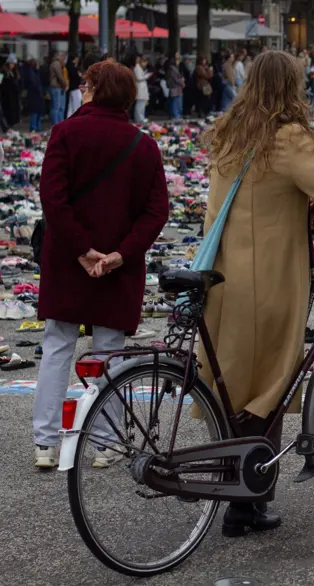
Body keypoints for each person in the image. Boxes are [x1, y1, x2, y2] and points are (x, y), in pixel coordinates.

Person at [201, 50, 314, 533]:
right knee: (268, 388)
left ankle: (236, 496)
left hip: (222, 277)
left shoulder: (229, 132)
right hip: (268, 281)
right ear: (292, 87)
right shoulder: (288, 138)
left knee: (232, 387)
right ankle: (248, 500)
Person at [32, 60, 169, 469]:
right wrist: (120, 254)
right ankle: (104, 442)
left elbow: (53, 199)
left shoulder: (66, 134)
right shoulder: (142, 145)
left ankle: (46, 442)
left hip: (68, 261)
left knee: (57, 345)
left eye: (86, 84)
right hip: (117, 266)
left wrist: (79, 249)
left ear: (93, 89)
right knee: (110, 352)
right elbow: (155, 210)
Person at [21, 58, 43, 132]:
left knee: (37, 111)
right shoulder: (32, 72)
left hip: (35, 94)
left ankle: (36, 127)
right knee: (35, 111)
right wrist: (39, 91)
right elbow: (34, 83)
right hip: (35, 94)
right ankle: (34, 127)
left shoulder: (33, 72)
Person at [0, 56, 21, 127]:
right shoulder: (3, 71)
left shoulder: (15, 71)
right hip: (6, 95)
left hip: (14, 95)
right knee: (7, 110)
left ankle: (12, 123)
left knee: (14, 110)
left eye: (14, 64)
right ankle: (7, 124)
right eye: (11, 63)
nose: (12, 65)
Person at [49, 51, 67, 125]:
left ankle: (59, 123)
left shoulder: (56, 64)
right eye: (62, 56)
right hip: (56, 87)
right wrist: (65, 85)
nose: (64, 58)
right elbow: (60, 76)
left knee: (58, 107)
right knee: (56, 107)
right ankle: (56, 123)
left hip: (57, 87)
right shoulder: (56, 64)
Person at [165, 52, 184, 119]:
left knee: (176, 101)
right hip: (175, 87)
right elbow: (176, 78)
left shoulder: (174, 68)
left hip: (176, 87)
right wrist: (182, 82)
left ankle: (176, 114)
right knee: (175, 101)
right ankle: (175, 115)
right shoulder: (172, 68)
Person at [132, 55, 151, 123]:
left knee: (142, 104)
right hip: (140, 88)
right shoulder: (137, 68)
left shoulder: (139, 68)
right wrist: (147, 75)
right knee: (139, 105)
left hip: (142, 88)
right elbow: (139, 78)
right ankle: (139, 118)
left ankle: (141, 117)